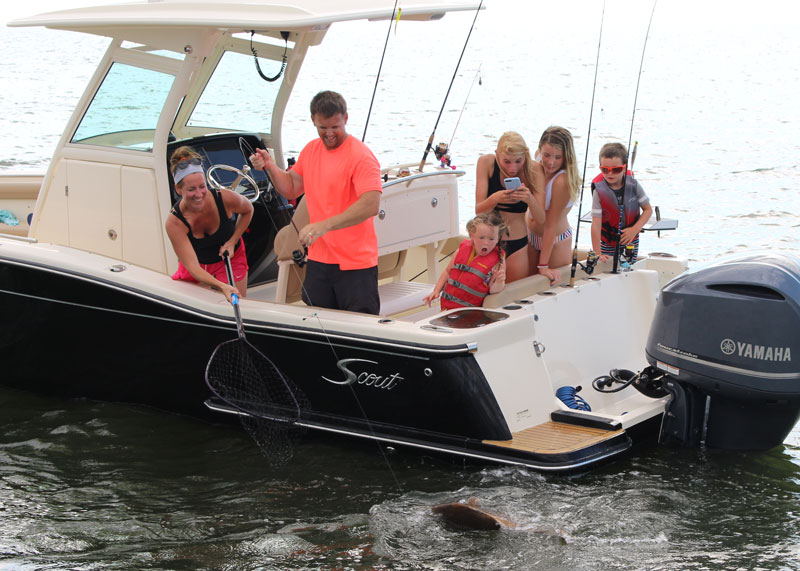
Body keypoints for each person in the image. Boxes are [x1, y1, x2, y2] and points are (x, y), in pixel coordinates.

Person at [250, 90, 382, 314]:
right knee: (319, 325)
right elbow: (291, 186)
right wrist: (270, 166)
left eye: (335, 127)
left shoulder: (361, 156)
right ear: (313, 121)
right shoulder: (311, 150)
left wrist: (324, 225)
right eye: (323, 128)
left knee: (358, 328)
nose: (329, 134)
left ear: (346, 119)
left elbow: (371, 204)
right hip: (319, 260)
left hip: (355, 264)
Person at [166, 146, 254, 302]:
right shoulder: (174, 222)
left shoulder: (225, 198)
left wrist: (232, 242)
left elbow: (248, 209)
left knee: (238, 303)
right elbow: (192, 267)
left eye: (202, 186)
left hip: (230, 259)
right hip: (198, 266)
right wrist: (222, 286)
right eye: (191, 189)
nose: (199, 194)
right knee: (197, 307)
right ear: (178, 189)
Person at [475, 131, 544, 282]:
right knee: (482, 293)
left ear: (526, 155)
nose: (512, 168)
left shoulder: (534, 169)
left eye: (518, 161)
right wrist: (495, 199)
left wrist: (530, 199)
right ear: (497, 154)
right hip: (487, 242)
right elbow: (479, 210)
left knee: (513, 296)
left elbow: (541, 218)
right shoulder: (486, 163)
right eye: (506, 161)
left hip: (517, 243)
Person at [526, 126, 581, 284]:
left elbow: (550, 224)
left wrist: (543, 265)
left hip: (556, 239)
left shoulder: (562, 181)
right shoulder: (536, 160)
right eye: (547, 155)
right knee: (526, 288)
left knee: (552, 288)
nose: (550, 162)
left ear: (566, 157)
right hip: (531, 235)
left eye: (558, 157)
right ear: (539, 151)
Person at [423, 212, 507, 309]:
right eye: (481, 238)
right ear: (472, 235)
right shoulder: (461, 250)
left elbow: (493, 290)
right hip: (447, 308)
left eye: (491, 239)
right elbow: (447, 272)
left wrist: (500, 281)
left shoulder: (498, 261)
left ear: (498, 239)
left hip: (469, 312)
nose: (486, 242)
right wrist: (436, 291)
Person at [591, 142, 652, 264]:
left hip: (630, 241)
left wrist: (635, 229)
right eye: (605, 169)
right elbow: (596, 223)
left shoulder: (634, 185)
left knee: (628, 269)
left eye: (616, 170)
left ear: (624, 167)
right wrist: (597, 253)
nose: (610, 174)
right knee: (608, 270)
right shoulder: (599, 191)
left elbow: (648, 210)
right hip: (608, 242)